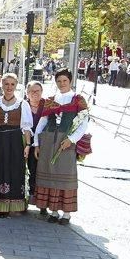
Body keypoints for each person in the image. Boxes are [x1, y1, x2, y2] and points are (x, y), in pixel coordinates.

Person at [33, 69, 89, 225]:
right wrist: (37, 143)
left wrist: (71, 139)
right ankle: (54, 210)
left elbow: (83, 123)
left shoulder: (78, 99)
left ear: (70, 81)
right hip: (49, 141)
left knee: (66, 176)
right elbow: (42, 122)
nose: (62, 84)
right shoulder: (51, 100)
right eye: (59, 81)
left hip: (66, 142)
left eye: (65, 81)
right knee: (50, 174)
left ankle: (67, 214)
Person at [0, 73, 33, 217]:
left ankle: (14, 204)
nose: (9, 87)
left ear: (16, 85)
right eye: (6, 84)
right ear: (2, 85)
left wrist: (28, 145)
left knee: (14, 171)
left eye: (12, 84)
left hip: (15, 142)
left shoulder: (23, 104)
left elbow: (26, 127)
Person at [24, 80, 45, 211]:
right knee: (27, 171)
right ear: (27, 93)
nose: (35, 93)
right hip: (26, 144)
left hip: (43, 145)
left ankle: (42, 203)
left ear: (42, 92)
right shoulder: (23, 105)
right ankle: (26, 199)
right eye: (32, 91)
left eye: (37, 91)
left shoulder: (47, 105)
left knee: (41, 172)